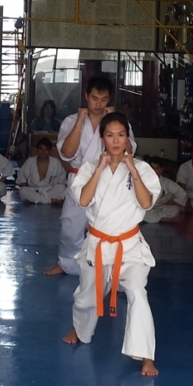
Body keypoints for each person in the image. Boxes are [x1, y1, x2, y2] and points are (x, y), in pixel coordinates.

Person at [63, 112, 162, 377]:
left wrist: (132, 169)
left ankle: (145, 355)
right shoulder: (89, 168)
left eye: (121, 135)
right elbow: (83, 201)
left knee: (138, 293)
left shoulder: (142, 168)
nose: (116, 141)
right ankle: (80, 329)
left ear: (128, 138)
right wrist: (99, 169)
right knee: (87, 294)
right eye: (110, 135)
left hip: (129, 245)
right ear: (102, 138)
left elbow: (146, 203)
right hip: (98, 243)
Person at [45, 75, 137, 277]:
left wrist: (114, 124)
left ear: (109, 99)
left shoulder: (117, 122)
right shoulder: (71, 121)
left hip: (109, 180)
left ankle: (112, 271)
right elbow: (67, 153)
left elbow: (128, 151)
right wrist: (80, 120)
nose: (99, 104)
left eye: (104, 99)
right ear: (86, 96)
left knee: (110, 227)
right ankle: (67, 264)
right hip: (80, 179)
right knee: (70, 226)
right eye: (94, 98)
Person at [17, 137, 67, 204]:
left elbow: (62, 175)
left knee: (62, 188)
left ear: (49, 150)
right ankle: (51, 200)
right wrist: (24, 184)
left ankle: (35, 199)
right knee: (22, 191)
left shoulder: (55, 162)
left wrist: (58, 184)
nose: (43, 152)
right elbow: (21, 175)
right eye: (40, 149)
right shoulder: (30, 161)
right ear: (37, 150)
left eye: (46, 149)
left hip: (49, 189)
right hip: (34, 189)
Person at [143, 158, 186, 223]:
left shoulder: (167, 182)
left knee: (175, 209)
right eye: (152, 168)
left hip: (162, 207)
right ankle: (166, 219)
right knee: (142, 212)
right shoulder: (143, 182)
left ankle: (157, 218)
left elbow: (182, 194)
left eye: (157, 168)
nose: (154, 170)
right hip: (148, 208)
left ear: (161, 169)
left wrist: (173, 201)